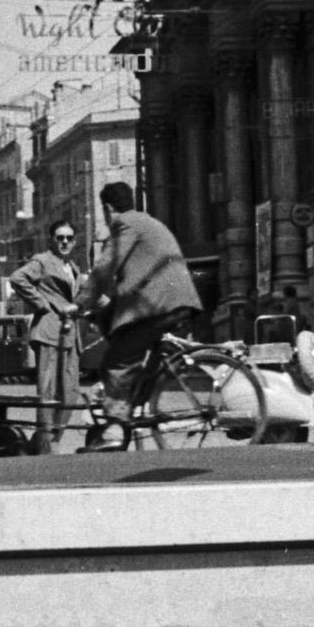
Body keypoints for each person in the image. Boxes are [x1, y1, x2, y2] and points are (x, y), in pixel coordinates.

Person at [82, 179, 203, 449]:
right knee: (140, 362)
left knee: (117, 361)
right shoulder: (149, 222)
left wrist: (80, 304)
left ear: (108, 208)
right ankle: (131, 413)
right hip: (177, 301)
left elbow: (105, 269)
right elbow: (132, 274)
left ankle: (114, 428)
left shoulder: (125, 223)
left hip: (156, 305)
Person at [7, 216, 83, 454]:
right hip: (49, 333)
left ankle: (47, 439)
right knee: (48, 393)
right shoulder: (42, 261)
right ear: (51, 240)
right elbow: (17, 278)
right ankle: (46, 446)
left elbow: (78, 298)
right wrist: (43, 305)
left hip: (70, 336)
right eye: (60, 238)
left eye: (69, 238)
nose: (64, 242)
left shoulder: (73, 268)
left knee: (70, 392)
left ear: (75, 241)